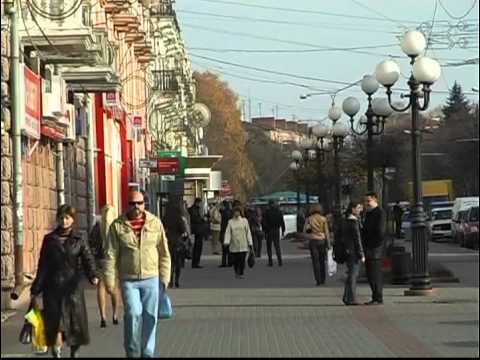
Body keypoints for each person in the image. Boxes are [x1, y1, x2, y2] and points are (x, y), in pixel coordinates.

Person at [104, 191, 171, 358]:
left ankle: (147, 353)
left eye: (139, 203)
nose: (136, 207)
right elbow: (110, 255)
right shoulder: (117, 226)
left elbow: (164, 253)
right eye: (133, 203)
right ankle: (132, 352)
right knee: (133, 314)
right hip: (129, 280)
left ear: (144, 204)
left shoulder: (155, 223)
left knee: (150, 317)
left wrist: (165, 277)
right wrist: (110, 282)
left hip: (152, 278)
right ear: (128, 205)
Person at [30, 205, 99, 358]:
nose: (64, 221)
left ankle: (74, 351)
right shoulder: (49, 240)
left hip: (72, 289)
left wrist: (93, 275)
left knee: (75, 325)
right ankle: (57, 351)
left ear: (72, 220)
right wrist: (36, 288)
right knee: (57, 324)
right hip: (53, 288)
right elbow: (43, 265)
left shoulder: (79, 238)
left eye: (67, 217)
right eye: (61, 217)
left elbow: (88, 259)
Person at [89, 205, 121, 328]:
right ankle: (115, 315)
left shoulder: (97, 227)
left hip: (99, 259)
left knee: (100, 287)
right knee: (114, 287)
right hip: (113, 260)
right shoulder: (117, 226)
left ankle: (103, 316)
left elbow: (91, 242)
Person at [362, 192, 387, 305]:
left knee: (375, 273)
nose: (366, 203)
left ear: (375, 200)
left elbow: (380, 232)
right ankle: (375, 296)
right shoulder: (368, 213)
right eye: (365, 201)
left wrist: (375, 244)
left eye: (368, 201)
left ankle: (378, 297)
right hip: (369, 247)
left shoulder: (379, 213)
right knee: (370, 273)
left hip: (375, 248)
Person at [341, 201, 365, 305]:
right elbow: (357, 239)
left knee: (350, 274)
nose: (361, 210)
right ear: (353, 209)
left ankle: (347, 297)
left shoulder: (345, 221)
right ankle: (352, 298)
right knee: (353, 275)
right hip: (354, 252)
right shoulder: (354, 222)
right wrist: (361, 254)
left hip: (347, 251)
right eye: (359, 208)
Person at [163, 201, 189, 288]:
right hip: (178, 242)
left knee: (169, 262)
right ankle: (177, 281)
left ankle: (169, 280)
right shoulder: (179, 218)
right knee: (177, 263)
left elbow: (162, 229)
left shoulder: (165, 218)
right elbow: (183, 230)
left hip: (168, 242)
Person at [303, 204, 330, 286]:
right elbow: (327, 232)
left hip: (313, 241)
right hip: (322, 241)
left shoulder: (309, 219)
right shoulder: (323, 219)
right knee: (322, 261)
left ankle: (318, 280)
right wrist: (328, 243)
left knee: (315, 261)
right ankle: (323, 279)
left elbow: (304, 231)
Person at [223, 206, 254, 279]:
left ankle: (241, 273)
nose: (237, 213)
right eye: (235, 212)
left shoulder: (244, 221)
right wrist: (226, 241)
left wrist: (250, 243)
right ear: (233, 213)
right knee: (236, 260)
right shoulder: (230, 222)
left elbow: (248, 232)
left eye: (238, 212)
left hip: (243, 244)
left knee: (242, 260)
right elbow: (228, 233)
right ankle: (236, 272)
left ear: (240, 212)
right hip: (234, 244)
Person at [262, 200, 286, 266]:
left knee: (269, 247)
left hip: (269, 231)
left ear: (269, 205)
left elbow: (263, 222)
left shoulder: (266, 212)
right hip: (276, 230)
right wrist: (283, 230)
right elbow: (282, 221)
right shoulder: (279, 212)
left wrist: (265, 231)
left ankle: (270, 262)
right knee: (277, 246)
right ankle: (280, 261)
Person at [188, 198, 208, 268]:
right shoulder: (194, 209)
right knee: (197, 247)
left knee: (198, 247)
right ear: (197, 202)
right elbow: (195, 219)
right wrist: (202, 219)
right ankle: (195, 263)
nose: (201, 204)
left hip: (197, 230)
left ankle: (196, 263)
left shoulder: (195, 209)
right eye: (200, 203)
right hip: (197, 230)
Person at [219, 200, 233, 267]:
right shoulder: (230, 212)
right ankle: (229, 262)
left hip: (224, 231)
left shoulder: (225, 212)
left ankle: (224, 262)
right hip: (229, 231)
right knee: (228, 248)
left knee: (225, 248)